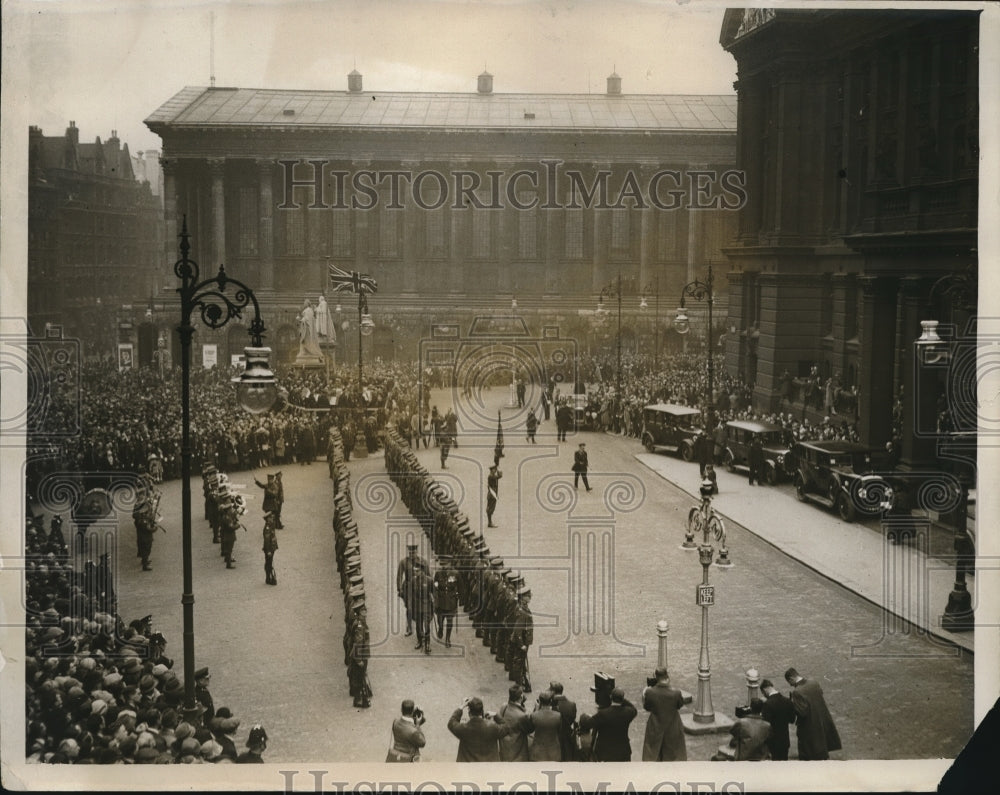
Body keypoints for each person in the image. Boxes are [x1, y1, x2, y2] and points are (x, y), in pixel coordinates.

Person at [785, 667, 842, 760]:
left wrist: (792, 704)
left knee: (809, 754)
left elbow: (802, 713)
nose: (791, 685)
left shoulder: (797, 691)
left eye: (790, 683)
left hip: (809, 727)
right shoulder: (814, 683)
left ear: (791, 678)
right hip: (821, 719)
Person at [579, 687, 637, 761]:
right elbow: (633, 709)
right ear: (622, 699)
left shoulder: (603, 714)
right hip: (623, 752)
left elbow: (588, 723)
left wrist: (584, 716)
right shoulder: (628, 712)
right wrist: (623, 699)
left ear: (611, 697)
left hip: (605, 753)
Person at [641, 667, 687, 761]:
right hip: (673, 725)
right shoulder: (676, 693)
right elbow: (679, 705)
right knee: (673, 753)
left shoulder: (650, 692)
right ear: (667, 676)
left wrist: (644, 693)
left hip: (655, 725)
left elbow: (647, 707)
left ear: (656, 677)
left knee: (654, 752)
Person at [447, 696, 512, 762]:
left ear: (469, 713)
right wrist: (495, 715)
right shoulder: (492, 727)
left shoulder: (464, 728)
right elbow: (506, 727)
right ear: (482, 712)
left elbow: (451, 723)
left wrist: (461, 707)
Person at [760, 678, 796, 761]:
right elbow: (792, 720)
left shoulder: (768, 704)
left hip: (773, 743)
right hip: (784, 741)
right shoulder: (787, 701)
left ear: (764, 690)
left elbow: (765, 725)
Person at [396, 544, 428, 637]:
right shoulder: (403, 562)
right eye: (410, 552)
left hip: (419, 588)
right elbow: (399, 576)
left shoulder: (422, 561)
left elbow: (428, 575)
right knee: (409, 608)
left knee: (419, 608)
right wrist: (400, 589)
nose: (411, 554)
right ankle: (409, 627)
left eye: (413, 552)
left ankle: (420, 628)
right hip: (408, 588)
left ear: (416, 552)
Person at [497, 685, 531, 762]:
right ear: (521, 697)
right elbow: (529, 729)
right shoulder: (522, 716)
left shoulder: (504, 707)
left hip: (505, 749)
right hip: (517, 753)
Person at [527, 691, 563, 761]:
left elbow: (530, 729)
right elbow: (559, 730)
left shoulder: (534, 715)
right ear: (551, 701)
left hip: (538, 752)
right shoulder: (558, 715)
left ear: (540, 701)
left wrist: (536, 710)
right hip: (554, 752)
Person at [433, 555, 459, 647]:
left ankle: (448, 638)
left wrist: (458, 595)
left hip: (451, 601)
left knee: (450, 621)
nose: (443, 567)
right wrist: (435, 598)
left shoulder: (455, 573)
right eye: (442, 564)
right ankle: (440, 628)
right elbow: (435, 587)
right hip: (441, 601)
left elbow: (460, 586)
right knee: (440, 619)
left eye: (445, 564)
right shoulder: (438, 573)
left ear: (450, 563)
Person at [549, 681, 578, 763]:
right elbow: (573, 718)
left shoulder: (550, 705)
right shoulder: (572, 704)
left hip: (554, 739)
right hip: (567, 737)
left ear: (553, 692)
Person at [411, 564, 435, 654]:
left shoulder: (429, 580)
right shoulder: (413, 580)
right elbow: (412, 593)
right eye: (414, 571)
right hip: (417, 606)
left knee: (427, 625)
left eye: (417, 571)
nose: (415, 572)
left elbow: (433, 593)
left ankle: (428, 643)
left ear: (422, 571)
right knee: (418, 625)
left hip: (426, 606)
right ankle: (420, 641)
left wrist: (432, 598)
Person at [262, 511, 278, 586]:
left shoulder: (271, 525)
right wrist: (268, 551)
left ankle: (268, 578)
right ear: (268, 519)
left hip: (271, 548)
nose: (272, 518)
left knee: (269, 563)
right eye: (271, 517)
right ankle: (268, 578)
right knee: (269, 563)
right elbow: (267, 540)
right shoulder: (267, 528)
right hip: (269, 549)